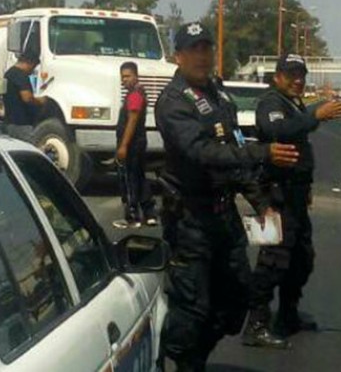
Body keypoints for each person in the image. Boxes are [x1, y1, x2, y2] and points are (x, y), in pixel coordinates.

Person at [156, 22, 300, 370]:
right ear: (179, 56)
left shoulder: (219, 96)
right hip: (191, 220)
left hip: (224, 217)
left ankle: (192, 355)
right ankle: (168, 356)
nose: (202, 56)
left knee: (237, 300)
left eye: (207, 48)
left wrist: (261, 203)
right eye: (194, 50)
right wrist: (262, 153)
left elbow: (233, 150)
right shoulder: (173, 102)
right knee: (193, 307)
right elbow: (202, 152)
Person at [243, 54, 341, 347]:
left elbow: (299, 136)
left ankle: (287, 314)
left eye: (301, 75)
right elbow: (278, 131)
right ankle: (256, 325)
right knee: (271, 262)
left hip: (295, 194)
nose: (297, 80)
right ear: (277, 76)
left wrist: (306, 186)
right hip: (272, 195)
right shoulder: (271, 103)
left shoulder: (293, 103)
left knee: (301, 259)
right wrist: (316, 115)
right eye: (291, 75)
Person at [115, 61, 157, 228]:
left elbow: (132, 120)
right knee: (140, 177)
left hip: (132, 144)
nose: (124, 80)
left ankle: (132, 216)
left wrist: (123, 146)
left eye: (127, 76)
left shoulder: (134, 95)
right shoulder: (137, 93)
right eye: (122, 77)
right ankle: (149, 213)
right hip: (138, 142)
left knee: (128, 178)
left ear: (136, 76)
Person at [2, 51, 46, 141]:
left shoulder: (8, 73)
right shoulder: (21, 75)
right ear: (29, 63)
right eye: (33, 67)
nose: (32, 71)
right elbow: (27, 98)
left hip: (10, 122)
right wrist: (40, 101)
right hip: (22, 124)